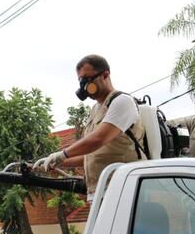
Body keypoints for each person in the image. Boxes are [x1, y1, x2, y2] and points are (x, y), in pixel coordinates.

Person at [34, 54, 143, 200]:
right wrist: (56, 162)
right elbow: (91, 155)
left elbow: (98, 139)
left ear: (105, 75)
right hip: (99, 191)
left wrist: (61, 155)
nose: (84, 85)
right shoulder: (94, 110)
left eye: (87, 79)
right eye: (81, 81)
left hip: (124, 189)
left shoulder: (122, 101)